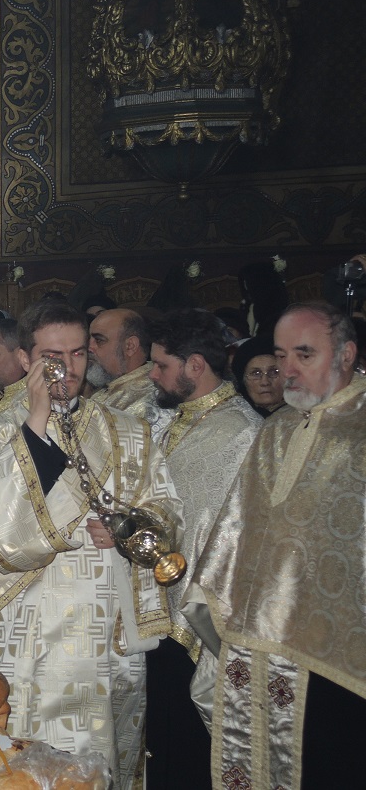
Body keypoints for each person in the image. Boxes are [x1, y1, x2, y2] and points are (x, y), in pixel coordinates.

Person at [0, 299, 181, 788]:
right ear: (27, 359)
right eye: (53, 355)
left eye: (77, 354)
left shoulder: (127, 432)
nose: (67, 368)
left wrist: (128, 529)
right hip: (29, 620)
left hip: (104, 628)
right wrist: (35, 422)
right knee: (27, 757)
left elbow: (164, 513)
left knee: (98, 760)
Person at [191, 302, 364, 790]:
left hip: (339, 655)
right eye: (282, 354)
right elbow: (237, 529)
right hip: (260, 640)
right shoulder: (276, 429)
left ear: (346, 354)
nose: (287, 370)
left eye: (304, 354)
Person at [143, 310, 261, 790]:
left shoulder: (241, 432)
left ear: (195, 366)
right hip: (158, 606)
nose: (151, 375)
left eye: (160, 365)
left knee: (192, 747)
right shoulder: (175, 420)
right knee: (164, 735)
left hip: (200, 615)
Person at [87, 307, 156, 420]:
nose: (89, 347)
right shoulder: (108, 388)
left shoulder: (150, 401)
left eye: (99, 340)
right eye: (89, 339)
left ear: (130, 346)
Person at [230, 334, 286, 417]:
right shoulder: (234, 418)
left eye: (274, 372)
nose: (265, 382)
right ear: (243, 381)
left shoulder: (303, 418)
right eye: (256, 374)